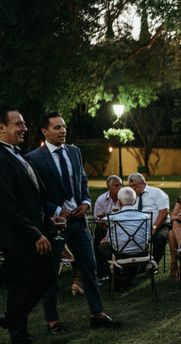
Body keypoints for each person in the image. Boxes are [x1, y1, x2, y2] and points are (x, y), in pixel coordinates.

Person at [26, 112, 118, 331]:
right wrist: (58, 210)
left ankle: (97, 313)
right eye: (57, 127)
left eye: (64, 126)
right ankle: (52, 320)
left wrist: (86, 202)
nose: (63, 131)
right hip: (54, 224)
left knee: (90, 266)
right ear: (44, 131)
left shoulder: (75, 152)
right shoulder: (34, 158)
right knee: (51, 272)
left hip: (78, 222)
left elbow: (83, 181)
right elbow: (35, 194)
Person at [0, 106, 56, 344]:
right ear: (1, 127)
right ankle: (18, 336)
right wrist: (35, 233)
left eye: (23, 123)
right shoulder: (1, 158)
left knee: (27, 285)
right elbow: (8, 206)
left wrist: (50, 222)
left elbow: (31, 198)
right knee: (34, 282)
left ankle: (16, 331)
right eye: (18, 124)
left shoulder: (16, 154)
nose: (24, 128)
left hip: (33, 231)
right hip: (18, 238)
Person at [128, 172, 170, 264]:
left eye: (135, 185)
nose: (133, 188)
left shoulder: (156, 192)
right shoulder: (132, 196)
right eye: (130, 186)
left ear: (142, 183)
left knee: (160, 238)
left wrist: (154, 227)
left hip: (160, 225)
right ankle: (136, 263)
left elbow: (164, 212)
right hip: (139, 228)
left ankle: (153, 263)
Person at [94, 175, 122, 278]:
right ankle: (102, 271)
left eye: (120, 185)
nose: (119, 188)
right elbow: (98, 220)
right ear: (109, 187)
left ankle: (122, 266)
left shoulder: (125, 198)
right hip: (104, 228)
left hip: (121, 229)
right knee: (98, 237)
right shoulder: (101, 200)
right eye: (116, 186)